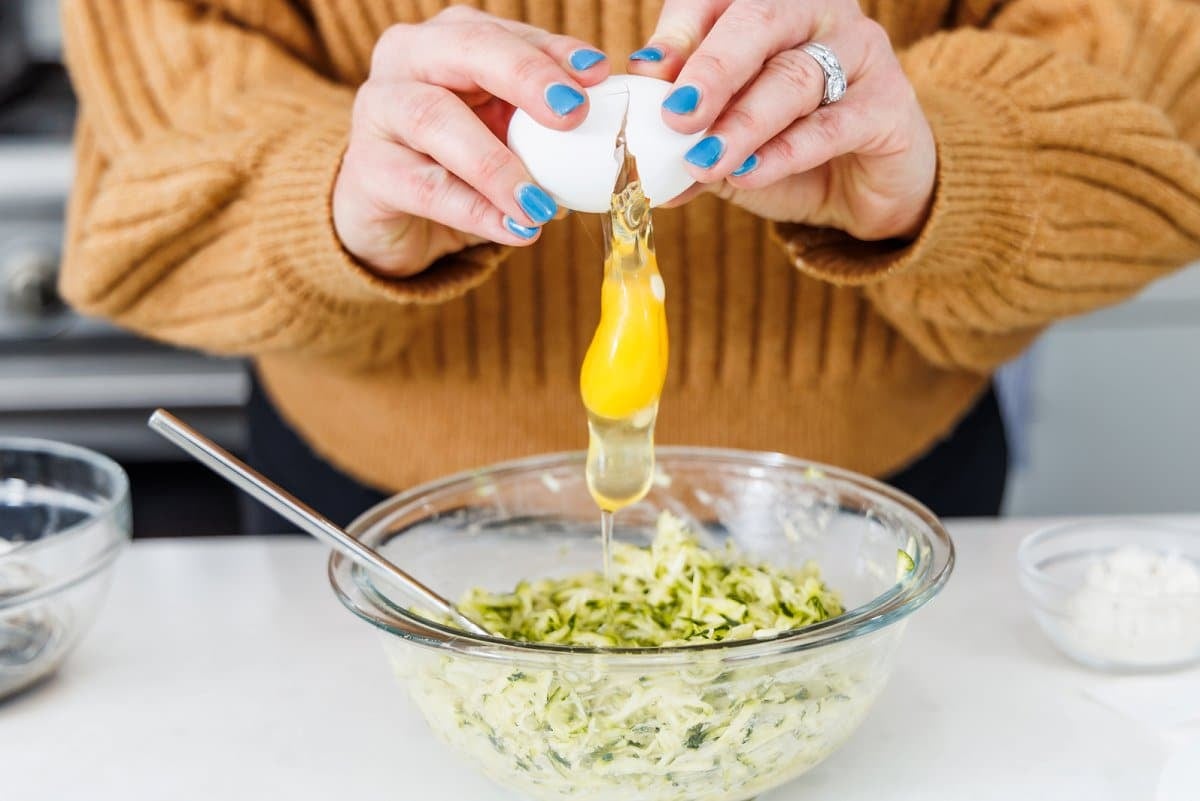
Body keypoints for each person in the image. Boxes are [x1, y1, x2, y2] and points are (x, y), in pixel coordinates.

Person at [60, 1, 1200, 532]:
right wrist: (334, 200)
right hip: (378, 527)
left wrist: (945, 161)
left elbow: (1156, 117)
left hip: (863, 519)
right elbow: (148, 170)